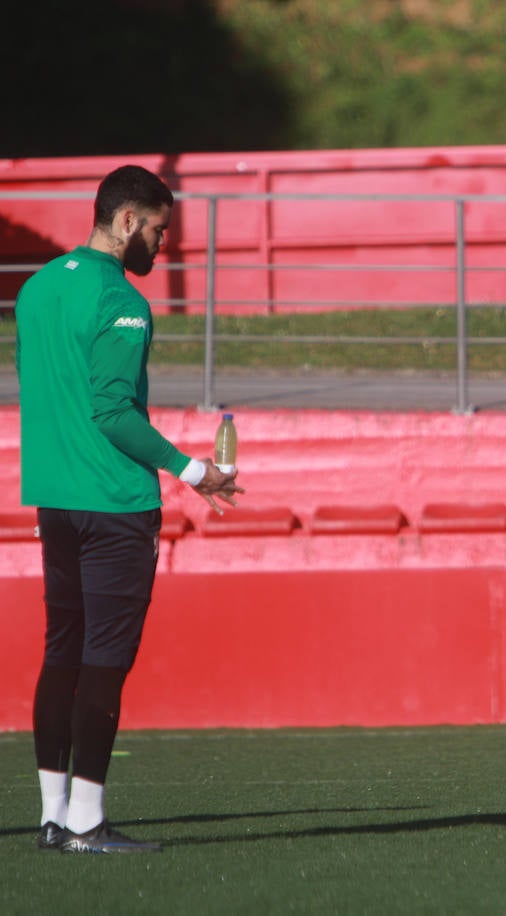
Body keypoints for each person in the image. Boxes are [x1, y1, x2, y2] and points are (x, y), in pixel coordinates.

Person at [17, 165, 243, 854]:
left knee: (61, 655)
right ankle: (86, 821)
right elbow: (111, 411)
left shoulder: (35, 288)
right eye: (157, 229)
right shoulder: (122, 300)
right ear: (125, 223)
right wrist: (194, 470)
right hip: (113, 502)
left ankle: (53, 815)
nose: (162, 243)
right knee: (104, 661)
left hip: (54, 500)